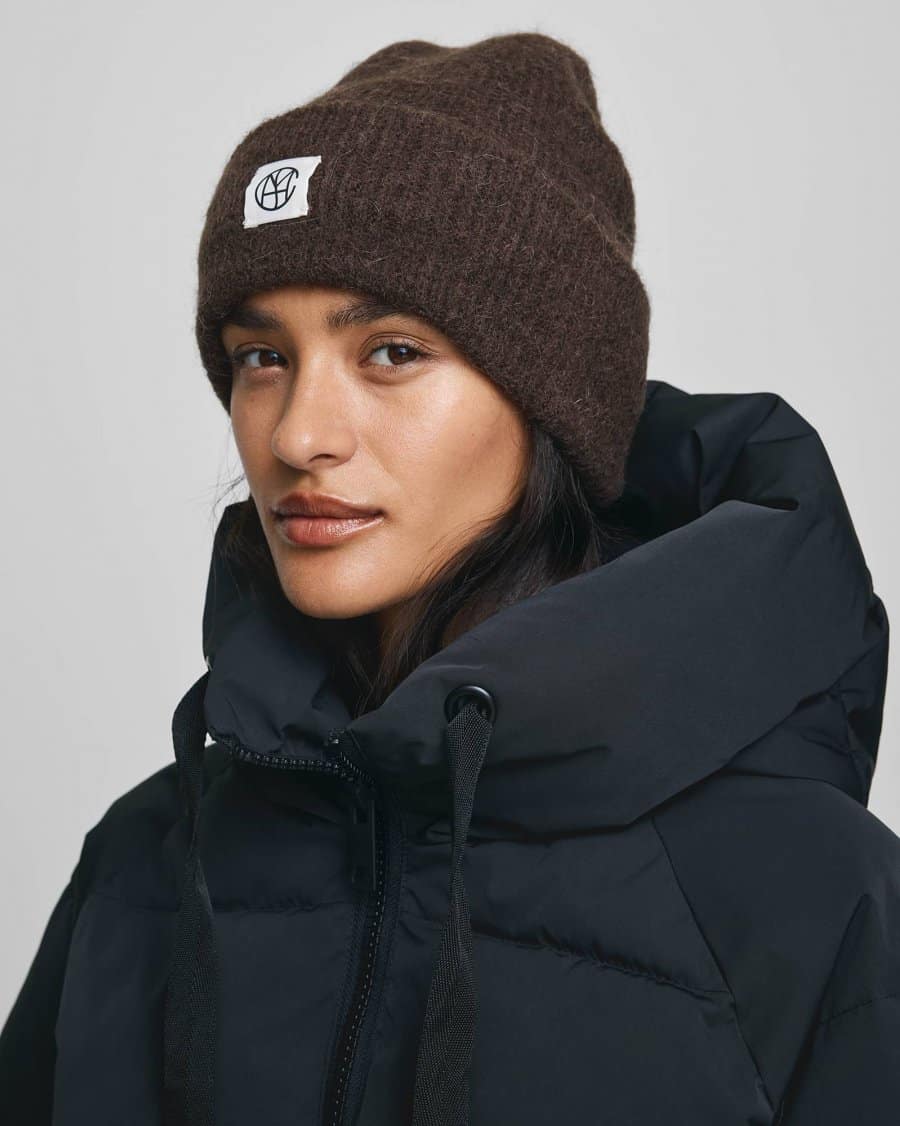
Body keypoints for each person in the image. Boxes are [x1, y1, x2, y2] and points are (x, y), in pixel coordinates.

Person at [1, 28, 898, 1126]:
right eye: (261, 356)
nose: (298, 434)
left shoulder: (809, 894)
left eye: (392, 352)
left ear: (551, 403)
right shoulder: (144, 864)